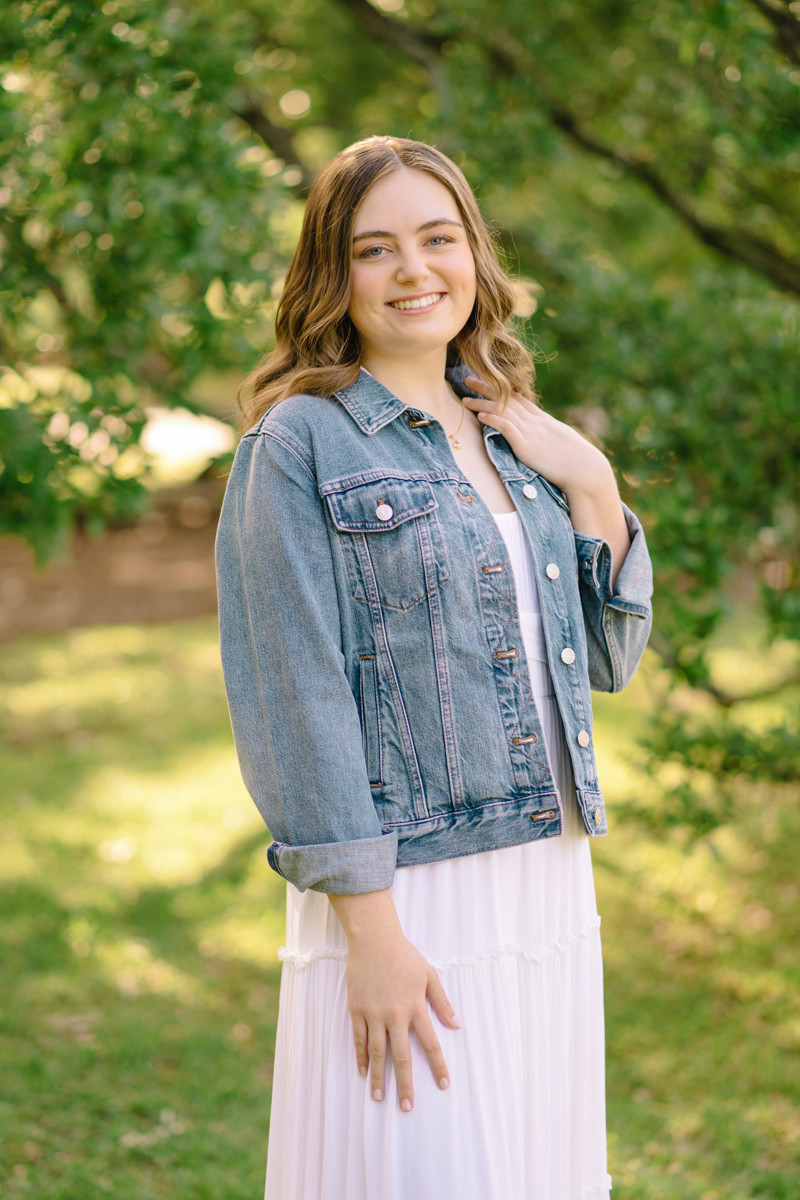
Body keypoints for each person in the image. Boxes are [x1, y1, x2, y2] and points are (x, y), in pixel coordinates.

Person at [215, 135, 653, 1200]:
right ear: (334, 275)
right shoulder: (297, 445)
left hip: (543, 874)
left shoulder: (513, 434)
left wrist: (589, 483)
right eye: (375, 249)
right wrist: (370, 931)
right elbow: (293, 694)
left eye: (436, 238)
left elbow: (606, 660)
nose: (414, 271)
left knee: (529, 1168)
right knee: (422, 1166)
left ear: (473, 255)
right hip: (407, 890)